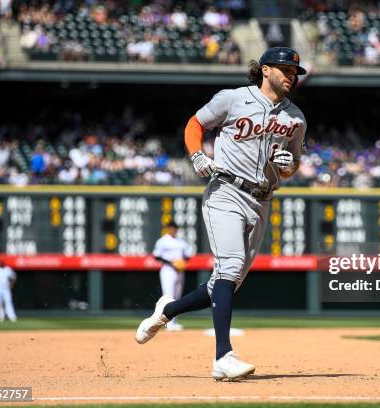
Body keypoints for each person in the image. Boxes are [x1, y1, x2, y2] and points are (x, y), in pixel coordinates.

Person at [135, 46, 307, 381]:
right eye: (285, 70)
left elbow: (293, 163)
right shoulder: (232, 99)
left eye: (295, 72)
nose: (291, 76)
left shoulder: (296, 117)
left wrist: (290, 168)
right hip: (225, 191)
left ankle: (165, 311)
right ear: (266, 70)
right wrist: (197, 155)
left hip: (262, 201)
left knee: (223, 285)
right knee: (228, 269)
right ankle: (223, 357)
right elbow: (195, 123)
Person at [151, 221, 193, 331]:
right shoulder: (162, 241)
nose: (173, 230)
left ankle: (174, 322)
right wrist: (172, 263)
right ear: (168, 229)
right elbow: (156, 256)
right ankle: (167, 323)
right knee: (168, 296)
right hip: (168, 270)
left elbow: (188, 256)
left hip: (179, 271)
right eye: (171, 228)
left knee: (177, 297)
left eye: (175, 228)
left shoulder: (181, 242)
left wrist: (182, 262)